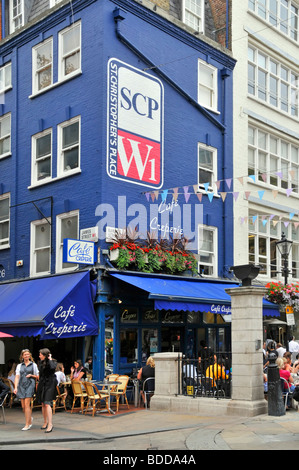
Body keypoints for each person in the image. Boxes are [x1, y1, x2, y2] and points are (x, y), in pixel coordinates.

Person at [13, 349, 39, 431]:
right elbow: (17, 376)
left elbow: (38, 376)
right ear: (22, 356)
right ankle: (29, 418)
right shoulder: (19, 366)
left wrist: (32, 375)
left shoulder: (33, 365)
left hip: (30, 385)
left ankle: (27, 424)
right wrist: (15, 387)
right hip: (21, 385)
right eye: (25, 355)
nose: (27, 356)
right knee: (23, 406)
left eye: (28, 354)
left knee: (27, 404)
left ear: (30, 355)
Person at [36, 348, 57, 433]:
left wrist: (50, 358)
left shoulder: (52, 362)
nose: (39, 356)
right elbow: (40, 374)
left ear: (45, 355)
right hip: (42, 383)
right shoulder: (40, 363)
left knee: (47, 403)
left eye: (40, 354)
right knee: (43, 403)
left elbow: (52, 368)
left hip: (50, 384)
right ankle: (45, 422)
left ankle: (50, 424)